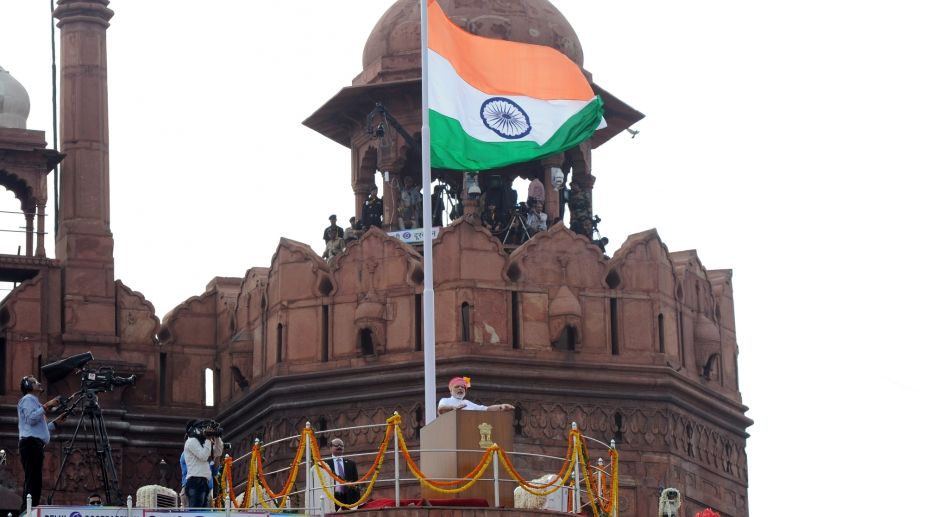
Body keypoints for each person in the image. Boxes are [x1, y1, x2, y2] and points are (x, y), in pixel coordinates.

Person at [17, 375, 61, 512]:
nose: (39, 383)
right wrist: (47, 405)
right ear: (28, 386)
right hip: (31, 445)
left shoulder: (34, 402)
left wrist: (57, 422)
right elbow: (31, 419)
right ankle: (28, 510)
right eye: (34, 382)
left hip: (34, 445)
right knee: (33, 481)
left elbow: (40, 429)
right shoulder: (28, 399)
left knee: (34, 481)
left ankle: (30, 509)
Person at [183, 420, 222, 508]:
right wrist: (208, 439)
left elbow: (218, 452)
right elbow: (203, 456)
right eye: (202, 428)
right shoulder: (191, 441)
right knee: (196, 513)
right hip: (195, 482)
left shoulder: (203, 442)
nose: (204, 430)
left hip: (204, 482)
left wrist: (217, 437)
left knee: (203, 513)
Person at [437, 376, 514, 415]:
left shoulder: (467, 403)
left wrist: (501, 407)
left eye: (463, 387)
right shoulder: (445, 400)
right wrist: (453, 408)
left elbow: (486, 409)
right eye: (457, 387)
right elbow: (441, 409)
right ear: (451, 391)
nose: (460, 388)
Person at [324, 438, 360, 510]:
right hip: (333, 497)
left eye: (341, 445)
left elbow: (356, 482)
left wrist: (357, 500)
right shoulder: (325, 464)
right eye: (336, 445)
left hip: (349, 497)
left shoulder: (351, 464)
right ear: (330, 448)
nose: (339, 447)